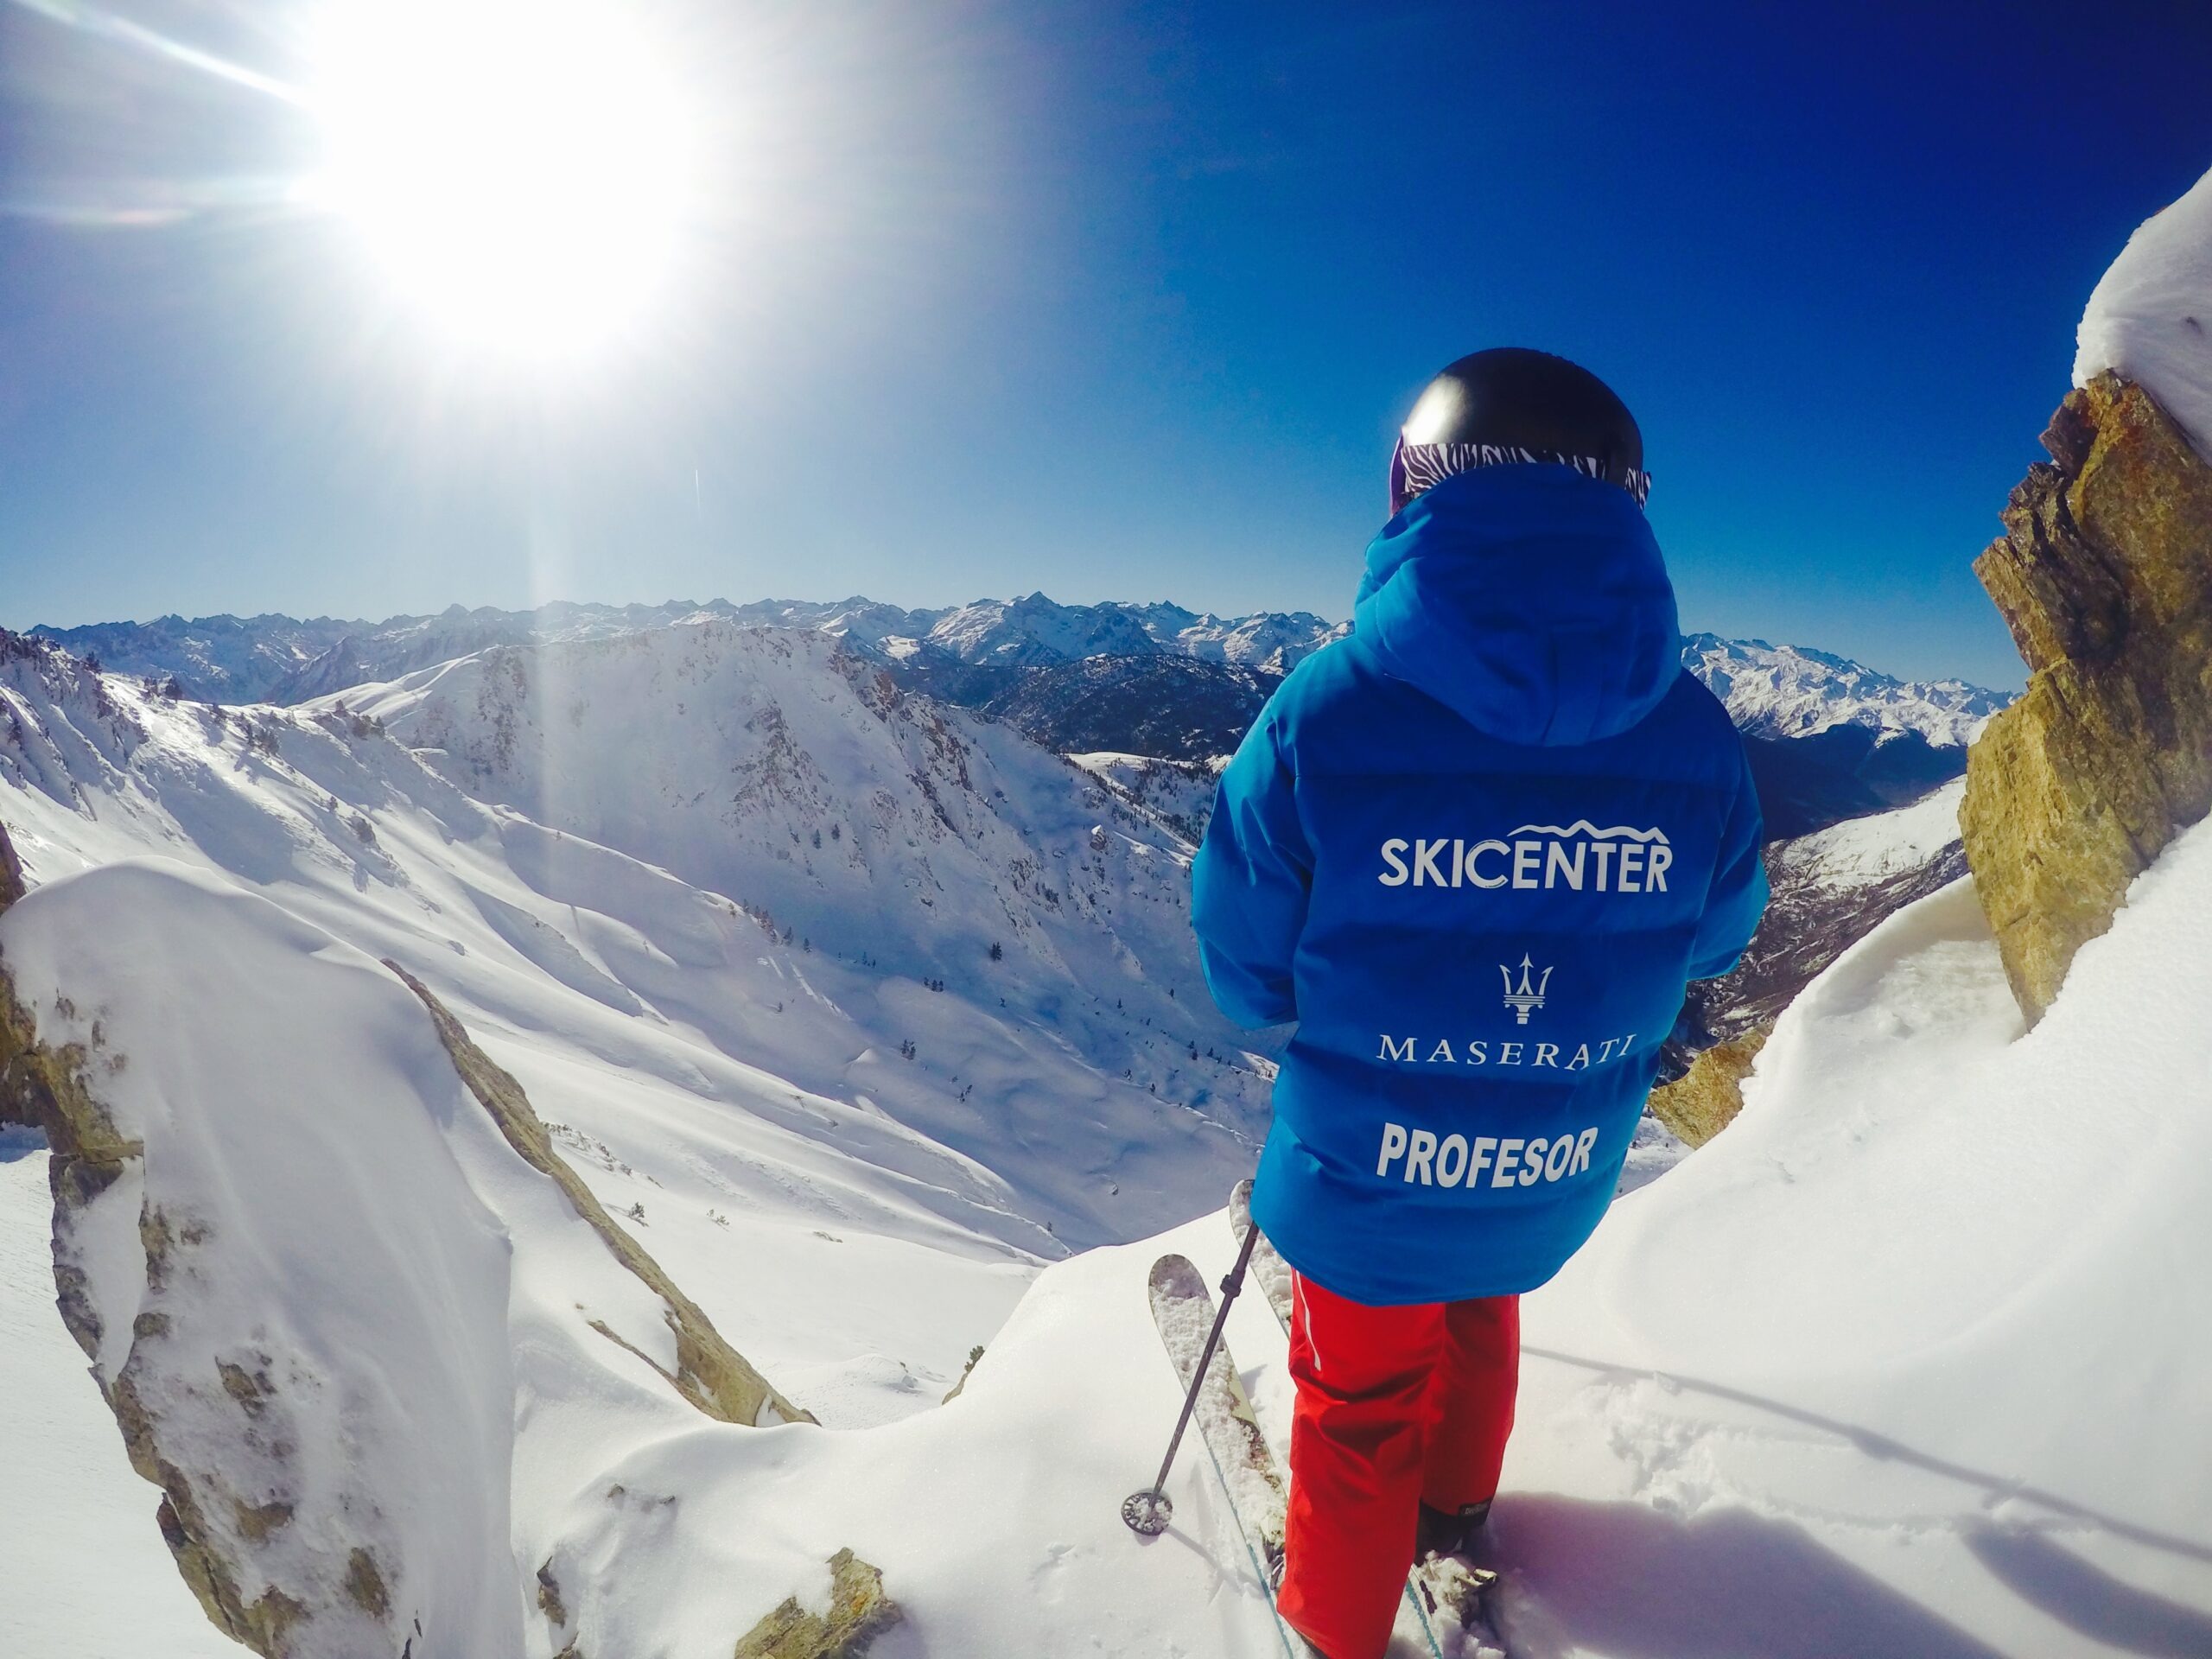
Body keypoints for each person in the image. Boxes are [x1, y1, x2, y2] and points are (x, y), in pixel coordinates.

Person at [1190, 347, 1767, 1659]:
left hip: (1368, 1163)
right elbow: (1717, 934)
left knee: (1355, 1397)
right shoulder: (1691, 730)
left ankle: (1336, 1628)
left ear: (1414, 487)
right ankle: (1455, 1514)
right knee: (1481, 1304)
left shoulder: (1327, 709)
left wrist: (1324, 1003)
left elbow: (1242, 955)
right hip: (1558, 1152)